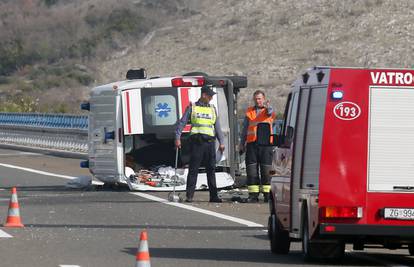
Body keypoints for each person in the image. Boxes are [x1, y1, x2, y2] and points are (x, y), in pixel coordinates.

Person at [175, 85, 225, 203]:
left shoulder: (212, 108)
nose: (211, 98)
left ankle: (214, 196)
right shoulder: (192, 107)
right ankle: (189, 196)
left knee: (211, 170)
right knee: (193, 169)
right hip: (197, 142)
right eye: (210, 96)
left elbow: (217, 127)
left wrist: (222, 142)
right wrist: (177, 138)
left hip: (210, 143)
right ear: (204, 95)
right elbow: (181, 123)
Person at [239, 90, 276, 202]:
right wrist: (242, 144)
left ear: (264, 99)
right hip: (252, 145)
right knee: (252, 171)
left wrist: (268, 106)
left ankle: (267, 195)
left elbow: (270, 111)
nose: (257, 101)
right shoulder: (249, 111)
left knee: (266, 171)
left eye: (259, 98)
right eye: (256, 99)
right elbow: (245, 129)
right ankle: (253, 195)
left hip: (265, 145)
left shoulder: (269, 111)